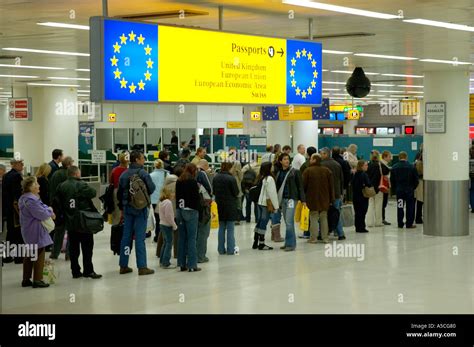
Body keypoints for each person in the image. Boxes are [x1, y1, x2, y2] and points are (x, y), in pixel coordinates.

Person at [56, 166, 102, 279]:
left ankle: (75, 271)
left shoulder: (61, 186)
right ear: (76, 174)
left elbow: (57, 201)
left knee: (73, 248)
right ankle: (88, 270)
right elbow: (93, 193)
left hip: (70, 220)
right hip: (83, 221)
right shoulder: (81, 184)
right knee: (87, 247)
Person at [117, 150, 156, 276]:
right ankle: (142, 266)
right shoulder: (143, 173)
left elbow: (119, 193)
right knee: (140, 238)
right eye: (142, 158)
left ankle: (124, 264)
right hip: (140, 208)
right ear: (137, 160)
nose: (144, 160)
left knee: (126, 237)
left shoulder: (124, 174)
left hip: (127, 209)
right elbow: (152, 188)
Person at [18, 176, 54, 288]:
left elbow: (42, 208)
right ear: (31, 187)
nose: (38, 186)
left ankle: (26, 279)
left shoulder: (24, 198)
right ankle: (38, 280)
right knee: (39, 253)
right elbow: (41, 213)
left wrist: (47, 209)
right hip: (35, 230)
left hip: (28, 229)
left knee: (29, 254)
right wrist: (50, 210)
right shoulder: (31, 200)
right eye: (36, 184)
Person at [273, 153, 305, 251]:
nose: (287, 161)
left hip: (292, 199)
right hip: (283, 200)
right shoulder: (278, 173)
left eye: (288, 159)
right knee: (287, 222)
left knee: (290, 222)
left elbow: (300, 186)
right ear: (280, 161)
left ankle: (291, 245)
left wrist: (303, 200)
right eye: (284, 159)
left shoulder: (295, 172)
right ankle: (287, 243)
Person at [302, 154, 334, 243]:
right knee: (324, 218)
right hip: (325, 198)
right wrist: (332, 199)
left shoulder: (308, 171)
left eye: (311, 159)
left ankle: (313, 238)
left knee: (313, 217)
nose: (310, 160)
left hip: (312, 198)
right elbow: (331, 186)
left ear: (315, 160)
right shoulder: (327, 171)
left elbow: (303, 185)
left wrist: (302, 198)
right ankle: (325, 238)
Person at [176, 163, 201, 272]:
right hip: (191, 211)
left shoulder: (179, 181)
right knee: (191, 238)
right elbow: (196, 198)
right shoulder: (193, 182)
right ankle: (192, 265)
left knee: (182, 238)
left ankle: (181, 264)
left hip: (179, 210)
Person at [49, 156, 74, 260]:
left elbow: (52, 190)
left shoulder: (55, 174)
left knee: (59, 231)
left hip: (57, 207)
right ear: (68, 164)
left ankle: (54, 253)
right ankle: (69, 254)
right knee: (71, 232)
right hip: (68, 206)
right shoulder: (69, 175)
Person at [213, 162, 239, 255]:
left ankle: (220, 249)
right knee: (230, 229)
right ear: (229, 168)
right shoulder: (231, 178)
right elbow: (236, 192)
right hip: (230, 205)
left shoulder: (216, 177)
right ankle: (231, 249)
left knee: (221, 228)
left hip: (219, 204)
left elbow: (214, 191)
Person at [320, 147, 345, 240]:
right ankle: (340, 233)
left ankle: (323, 233)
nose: (320, 155)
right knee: (336, 213)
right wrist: (342, 192)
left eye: (321, 154)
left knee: (323, 214)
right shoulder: (337, 164)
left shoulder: (321, 165)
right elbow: (341, 179)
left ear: (325, 154)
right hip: (337, 193)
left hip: (325, 194)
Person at [3, 158, 25, 264]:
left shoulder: (6, 176)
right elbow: (18, 195)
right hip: (15, 209)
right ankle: (18, 257)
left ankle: (6, 256)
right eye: (21, 163)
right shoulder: (17, 176)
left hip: (8, 208)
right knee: (18, 234)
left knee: (10, 233)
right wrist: (20, 210)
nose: (22, 165)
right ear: (15, 164)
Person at [253, 162, 279, 250]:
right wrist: (276, 206)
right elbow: (272, 193)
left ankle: (255, 241)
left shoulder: (261, 177)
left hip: (260, 203)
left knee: (260, 222)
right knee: (264, 223)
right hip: (266, 204)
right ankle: (261, 243)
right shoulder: (270, 178)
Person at [390, 151, 419, 229]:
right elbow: (416, 180)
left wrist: (395, 189)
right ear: (406, 157)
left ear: (399, 157)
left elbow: (392, 180)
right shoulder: (411, 166)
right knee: (410, 207)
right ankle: (409, 224)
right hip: (409, 190)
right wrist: (413, 187)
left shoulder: (394, 167)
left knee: (400, 206)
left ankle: (400, 223)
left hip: (399, 191)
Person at [366, 150, 390, 228]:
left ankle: (369, 222)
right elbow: (387, 171)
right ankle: (378, 222)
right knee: (378, 206)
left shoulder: (368, 164)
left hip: (370, 188)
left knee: (370, 205)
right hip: (379, 188)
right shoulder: (380, 165)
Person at [196, 159, 213, 263]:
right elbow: (209, 189)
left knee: (195, 233)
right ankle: (201, 256)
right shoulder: (202, 173)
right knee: (203, 232)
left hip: (192, 206)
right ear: (205, 166)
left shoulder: (192, 173)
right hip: (203, 206)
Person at [158, 187, 178, 269]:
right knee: (169, 243)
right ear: (168, 194)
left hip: (162, 224)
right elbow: (169, 216)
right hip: (167, 225)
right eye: (172, 192)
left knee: (165, 242)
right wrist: (174, 225)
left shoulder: (161, 202)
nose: (173, 194)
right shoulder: (168, 203)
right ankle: (166, 262)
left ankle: (162, 261)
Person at [150, 159, 168, 241]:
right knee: (164, 219)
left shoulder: (151, 175)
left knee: (157, 219)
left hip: (154, 200)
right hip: (164, 199)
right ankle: (164, 236)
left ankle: (157, 236)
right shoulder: (167, 174)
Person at [351, 160, 372, 233]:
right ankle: (362, 227)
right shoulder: (364, 175)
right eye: (366, 165)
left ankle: (357, 227)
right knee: (363, 212)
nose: (367, 166)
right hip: (363, 196)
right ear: (361, 166)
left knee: (357, 212)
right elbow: (368, 184)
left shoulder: (355, 174)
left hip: (355, 196)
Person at [109, 153, 128, 226]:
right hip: (126, 191)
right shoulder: (128, 171)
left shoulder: (114, 170)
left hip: (116, 191)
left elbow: (111, 181)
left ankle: (116, 225)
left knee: (116, 209)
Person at [380, 151, 392, 225]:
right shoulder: (382, 165)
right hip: (383, 186)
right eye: (389, 157)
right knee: (383, 203)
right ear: (384, 157)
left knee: (384, 203)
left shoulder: (385, 165)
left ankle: (382, 218)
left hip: (385, 185)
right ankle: (382, 218)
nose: (390, 158)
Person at [414, 149, 423, 224]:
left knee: (415, 201)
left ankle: (415, 217)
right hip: (420, 182)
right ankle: (418, 218)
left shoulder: (415, 162)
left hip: (415, 183)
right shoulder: (420, 163)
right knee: (420, 201)